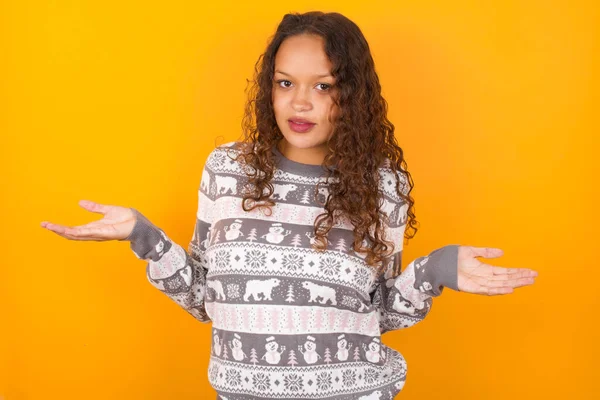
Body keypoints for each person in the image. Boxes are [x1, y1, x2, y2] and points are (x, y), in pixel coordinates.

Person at [40, 11, 538, 400]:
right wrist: (142, 236)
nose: (300, 103)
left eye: (323, 86)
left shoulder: (382, 187)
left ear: (353, 96)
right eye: (285, 83)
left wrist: (437, 268)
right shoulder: (226, 171)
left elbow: (380, 314)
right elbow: (204, 299)